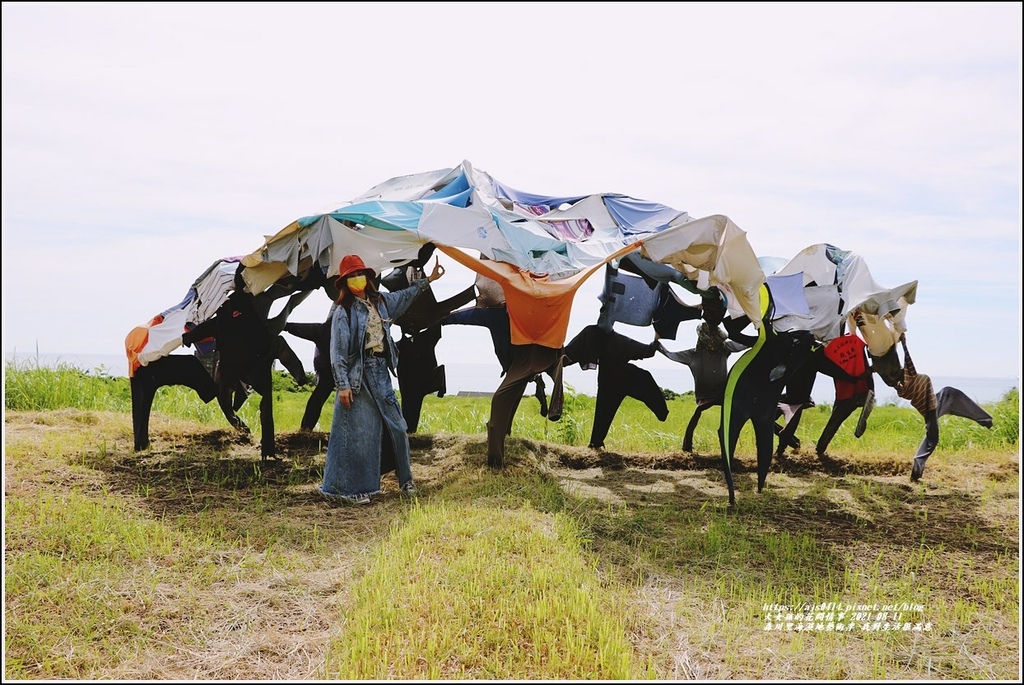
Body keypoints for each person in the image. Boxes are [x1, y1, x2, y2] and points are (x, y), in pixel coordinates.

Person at [318, 253, 445, 505]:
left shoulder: (381, 302)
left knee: (398, 426)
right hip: (357, 377)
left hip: (381, 371)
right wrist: (342, 384)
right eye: (351, 276)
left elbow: (404, 297)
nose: (356, 279)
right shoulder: (343, 312)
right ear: (344, 282)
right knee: (358, 433)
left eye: (359, 274)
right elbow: (338, 351)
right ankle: (350, 491)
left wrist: (428, 279)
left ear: (367, 277)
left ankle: (406, 481)